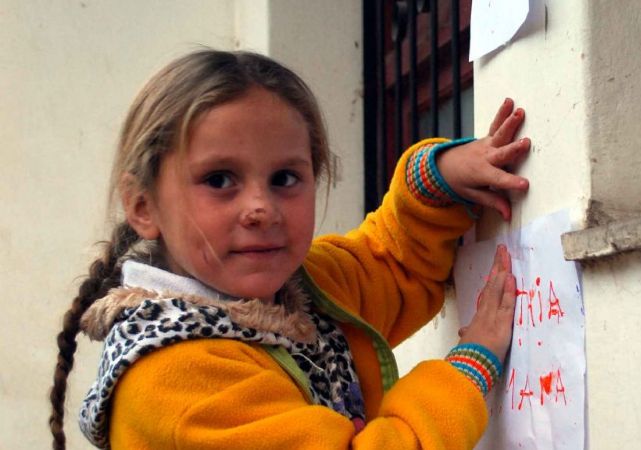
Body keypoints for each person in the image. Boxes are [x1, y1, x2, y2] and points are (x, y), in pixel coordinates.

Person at [48, 50, 531, 449]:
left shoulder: (304, 288)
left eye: (284, 178)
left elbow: (390, 261)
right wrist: (469, 368)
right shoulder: (176, 381)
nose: (261, 208)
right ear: (142, 205)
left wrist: (437, 180)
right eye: (219, 180)